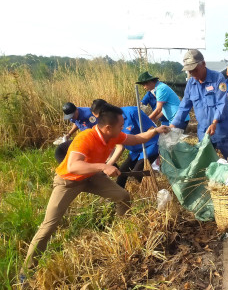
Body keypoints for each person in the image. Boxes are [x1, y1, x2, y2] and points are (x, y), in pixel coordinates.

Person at [22, 103, 170, 274]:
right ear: (108, 127)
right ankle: (26, 270)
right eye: (121, 125)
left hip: (91, 177)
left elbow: (136, 139)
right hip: (68, 181)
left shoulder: (114, 135)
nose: (124, 128)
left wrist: (155, 131)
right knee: (49, 224)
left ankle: (123, 231)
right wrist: (102, 166)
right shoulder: (85, 138)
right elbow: (73, 166)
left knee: (123, 196)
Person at [170, 49, 228, 164]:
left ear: (203, 64)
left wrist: (214, 122)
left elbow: (222, 103)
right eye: (190, 71)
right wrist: (172, 126)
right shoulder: (191, 83)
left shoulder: (217, 78)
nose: (192, 74)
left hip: (221, 130)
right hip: (204, 133)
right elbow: (184, 107)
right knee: (206, 165)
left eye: (195, 70)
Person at [90, 99, 160, 188]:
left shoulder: (132, 112)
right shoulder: (109, 124)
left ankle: (152, 190)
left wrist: (143, 137)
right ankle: (119, 197)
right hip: (134, 151)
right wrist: (107, 165)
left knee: (137, 171)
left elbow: (151, 129)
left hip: (149, 145)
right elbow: (120, 147)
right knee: (123, 171)